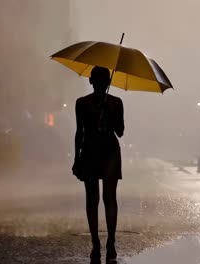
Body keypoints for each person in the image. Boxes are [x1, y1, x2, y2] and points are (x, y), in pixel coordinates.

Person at [72, 66, 124, 262]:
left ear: (107, 83)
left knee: (109, 198)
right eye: (97, 80)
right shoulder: (82, 103)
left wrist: (109, 115)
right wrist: (77, 158)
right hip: (91, 153)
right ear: (91, 82)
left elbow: (120, 131)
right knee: (92, 199)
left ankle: (110, 242)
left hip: (109, 153)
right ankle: (96, 243)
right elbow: (80, 132)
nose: (100, 84)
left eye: (103, 81)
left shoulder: (116, 103)